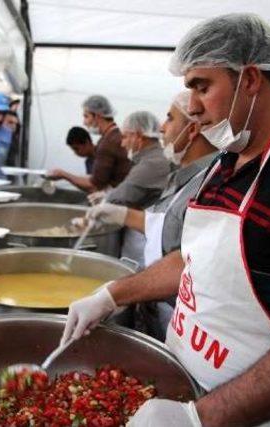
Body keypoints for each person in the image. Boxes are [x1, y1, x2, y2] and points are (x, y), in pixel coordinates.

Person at [62, 14, 270, 427]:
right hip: (183, 384)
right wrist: (112, 295)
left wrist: (200, 418)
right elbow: (193, 260)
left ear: (250, 78)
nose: (193, 105)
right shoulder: (225, 162)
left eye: (202, 86)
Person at [86, 92, 217, 339]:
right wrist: (121, 214)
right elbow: (166, 225)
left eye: (169, 118)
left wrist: (116, 294)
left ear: (192, 130)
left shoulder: (209, 184)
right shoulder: (186, 175)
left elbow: (188, 258)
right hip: (159, 302)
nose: (161, 127)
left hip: (179, 313)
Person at [48, 95, 130, 192]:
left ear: (97, 116)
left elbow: (94, 186)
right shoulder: (116, 136)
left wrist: (63, 174)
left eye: (86, 116)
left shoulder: (107, 143)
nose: (84, 122)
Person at [101, 111, 172, 208]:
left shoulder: (151, 164)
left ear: (138, 136)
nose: (122, 144)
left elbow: (117, 199)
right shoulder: (157, 157)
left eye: (124, 137)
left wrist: (106, 197)